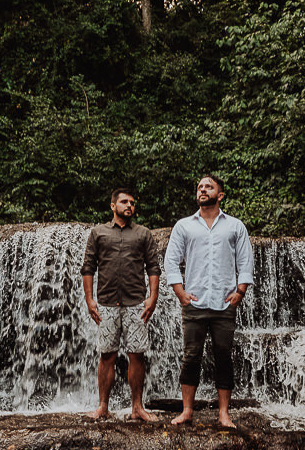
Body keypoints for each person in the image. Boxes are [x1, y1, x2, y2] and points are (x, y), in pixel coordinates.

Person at [163, 174, 254, 428]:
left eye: (208, 187)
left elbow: (245, 260)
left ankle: (224, 413)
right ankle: (187, 411)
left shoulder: (235, 226)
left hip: (225, 303)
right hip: (195, 302)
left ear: (220, 195)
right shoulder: (184, 226)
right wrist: (180, 293)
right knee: (191, 356)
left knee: (224, 357)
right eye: (200, 186)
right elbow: (171, 261)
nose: (202, 190)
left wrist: (241, 292)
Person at [81, 188, 161, 422]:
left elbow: (153, 267)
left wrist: (153, 297)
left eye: (132, 203)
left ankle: (137, 407)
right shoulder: (98, 233)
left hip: (136, 303)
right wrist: (89, 300)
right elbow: (88, 267)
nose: (129, 206)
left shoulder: (143, 234)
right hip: (106, 303)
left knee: (136, 355)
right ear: (113, 206)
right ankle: (103, 407)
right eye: (124, 202)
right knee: (107, 355)